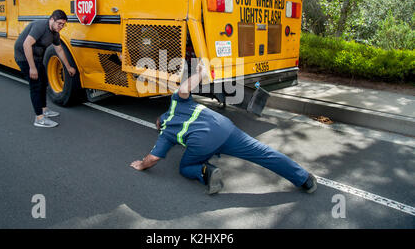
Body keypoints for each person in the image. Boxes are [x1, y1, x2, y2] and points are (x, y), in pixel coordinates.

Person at [130, 62, 317, 194]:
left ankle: (207, 172)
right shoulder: (176, 104)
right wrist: (201, 75)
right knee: (263, 153)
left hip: (204, 142)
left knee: (186, 167)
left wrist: (141, 165)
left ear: (159, 125)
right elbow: (184, 88)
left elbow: (153, 158)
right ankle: (304, 179)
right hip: (225, 126)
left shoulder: (165, 135)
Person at [14, 9, 76, 128]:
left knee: (43, 82)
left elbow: (59, 50)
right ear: (52, 19)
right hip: (23, 57)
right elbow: (26, 44)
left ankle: (44, 109)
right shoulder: (40, 26)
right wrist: (32, 68)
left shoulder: (55, 33)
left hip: (36, 58)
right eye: (59, 23)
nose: (61, 27)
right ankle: (39, 118)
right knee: (36, 85)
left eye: (63, 24)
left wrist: (68, 67)